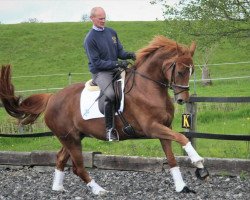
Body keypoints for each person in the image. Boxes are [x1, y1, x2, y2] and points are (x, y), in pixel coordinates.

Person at [83, 7, 135, 141]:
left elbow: (120, 53)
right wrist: (117, 64)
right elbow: (97, 63)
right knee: (111, 95)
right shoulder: (90, 39)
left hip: (114, 69)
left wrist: (132, 55)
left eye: (104, 18)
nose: (103, 21)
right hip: (101, 73)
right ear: (92, 19)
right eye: (100, 18)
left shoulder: (111, 32)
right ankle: (109, 130)